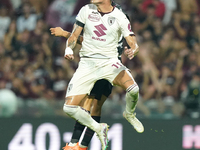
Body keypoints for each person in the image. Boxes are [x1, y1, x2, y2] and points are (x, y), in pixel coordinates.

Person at [61, 0, 144, 149]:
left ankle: (129, 114)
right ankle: (97, 129)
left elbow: (132, 41)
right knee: (70, 108)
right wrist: (68, 48)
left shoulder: (120, 17)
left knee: (131, 90)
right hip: (88, 63)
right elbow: (77, 36)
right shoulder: (86, 10)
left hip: (109, 63)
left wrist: (134, 49)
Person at [50, 18, 132, 150]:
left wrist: (65, 33)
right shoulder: (122, 35)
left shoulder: (110, 33)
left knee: (87, 107)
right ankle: (79, 145)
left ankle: (75, 144)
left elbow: (86, 42)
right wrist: (130, 50)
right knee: (92, 107)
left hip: (101, 68)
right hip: (109, 70)